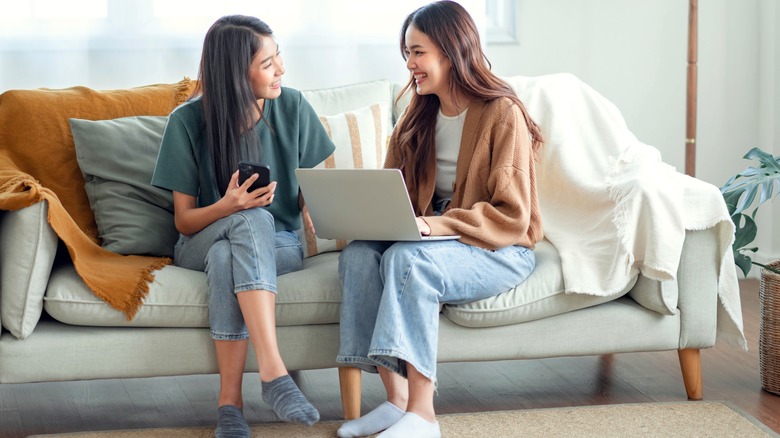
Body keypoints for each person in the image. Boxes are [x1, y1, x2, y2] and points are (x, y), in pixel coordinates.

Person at [335, 2, 544, 437]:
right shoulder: (418, 115)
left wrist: (435, 226)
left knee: (409, 261)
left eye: (418, 52)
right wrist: (372, 218)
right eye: (407, 53)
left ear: (451, 51)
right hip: (435, 238)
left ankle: (423, 415)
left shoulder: (502, 112)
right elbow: (393, 192)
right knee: (358, 255)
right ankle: (395, 402)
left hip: (500, 247)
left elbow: (513, 215)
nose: (409, 64)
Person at [151, 15, 335, 438]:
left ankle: (230, 406)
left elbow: (313, 193)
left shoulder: (293, 106)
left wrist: (326, 205)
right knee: (247, 221)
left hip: (279, 244)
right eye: (268, 63)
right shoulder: (187, 121)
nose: (281, 69)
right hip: (199, 240)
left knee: (227, 256)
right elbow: (184, 221)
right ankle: (273, 371)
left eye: (278, 57)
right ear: (236, 73)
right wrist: (227, 206)